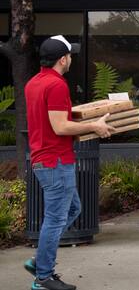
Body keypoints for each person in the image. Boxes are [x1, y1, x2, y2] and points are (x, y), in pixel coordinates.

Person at [24, 35, 115, 290]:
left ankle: (40, 259)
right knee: (55, 219)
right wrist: (95, 126)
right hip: (55, 161)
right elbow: (60, 126)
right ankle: (43, 277)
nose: (71, 58)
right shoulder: (56, 85)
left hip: (46, 158)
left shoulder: (34, 83)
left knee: (73, 209)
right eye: (70, 54)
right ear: (63, 59)